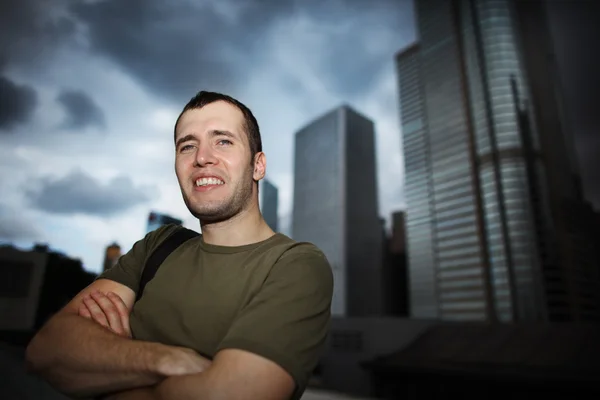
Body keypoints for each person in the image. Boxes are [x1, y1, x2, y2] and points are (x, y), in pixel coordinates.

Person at [25, 91, 334, 400]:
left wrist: (113, 363)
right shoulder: (159, 246)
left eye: (223, 141)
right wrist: (168, 360)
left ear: (258, 166)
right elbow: (47, 349)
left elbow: (229, 394)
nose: (202, 158)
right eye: (187, 146)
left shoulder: (295, 264)